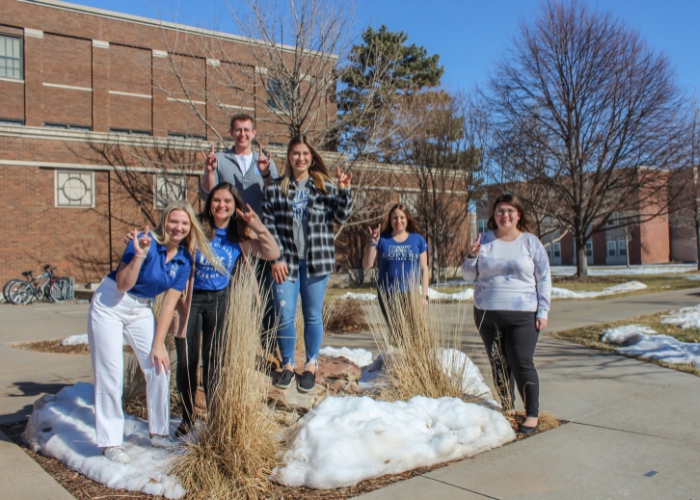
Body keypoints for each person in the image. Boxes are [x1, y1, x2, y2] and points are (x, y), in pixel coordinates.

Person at [87, 201, 218, 464]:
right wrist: (138, 254)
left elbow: (169, 304)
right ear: (164, 222)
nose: (178, 227)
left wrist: (159, 344)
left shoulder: (183, 260)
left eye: (184, 223)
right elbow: (123, 284)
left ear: (190, 227)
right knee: (111, 372)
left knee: (159, 366)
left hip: (141, 309)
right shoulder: (145, 242)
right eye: (173, 221)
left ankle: (159, 432)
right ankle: (111, 441)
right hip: (111, 303)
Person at [175, 182, 280, 436]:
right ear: (210, 203)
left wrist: (255, 224)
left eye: (227, 202)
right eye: (216, 200)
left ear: (235, 207)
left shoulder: (239, 236)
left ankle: (212, 417)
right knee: (186, 360)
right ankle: (187, 417)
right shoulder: (196, 226)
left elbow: (272, 251)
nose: (221, 205)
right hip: (190, 300)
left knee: (213, 360)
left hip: (220, 300)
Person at [263, 135, 353, 393]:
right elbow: (269, 227)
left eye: (305, 153)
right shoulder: (275, 189)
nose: (300, 158)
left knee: (312, 315)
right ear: (289, 157)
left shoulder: (324, 187)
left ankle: (311, 364)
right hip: (285, 262)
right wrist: (276, 258)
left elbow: (340, 217)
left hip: (316, 259)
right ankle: (288, 364)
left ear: (312, 157)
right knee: (285, 314)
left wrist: (345, 191)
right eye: (295, 153)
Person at [461, 194, 551, 433]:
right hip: (486, 314)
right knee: (498, 363)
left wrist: (543, 311)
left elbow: (543, 279)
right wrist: (472, 256)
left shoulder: (530, 243)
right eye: (500, 211)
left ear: (518, 214)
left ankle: (532, 413)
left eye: (510, 211)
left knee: (521, 362)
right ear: (494, 215)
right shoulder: (484, 241)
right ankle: (508, 407)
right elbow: (469, 276)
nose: (505, 216)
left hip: (523, 314)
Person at [200, 113, 278, 352]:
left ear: (254, 133)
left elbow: (275, 197)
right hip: (232, 238)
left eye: (247, 130)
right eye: (238, 130)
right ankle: (234, 345)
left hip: (258, 237)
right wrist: (211, 171)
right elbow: (207, 196)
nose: (242, 134)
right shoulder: (220, 159)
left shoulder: (264, 159)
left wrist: (265, 172)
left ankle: (267, 348)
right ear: (231, 132)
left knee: (264, 295)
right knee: (232, 294)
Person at [362, 203, 429, 332]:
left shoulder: (418, 240)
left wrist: (424, 296)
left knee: (415, 331)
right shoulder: (382, 239)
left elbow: (424, 269)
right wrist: (372, 243)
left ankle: (412, 353)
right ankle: (397, 352)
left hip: (411, 293)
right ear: (390, 220)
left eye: (402, 217)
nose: (398, 221)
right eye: (394, 218)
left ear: (407, 218)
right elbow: (367, 265)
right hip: (388, 294)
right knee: (397, 332)